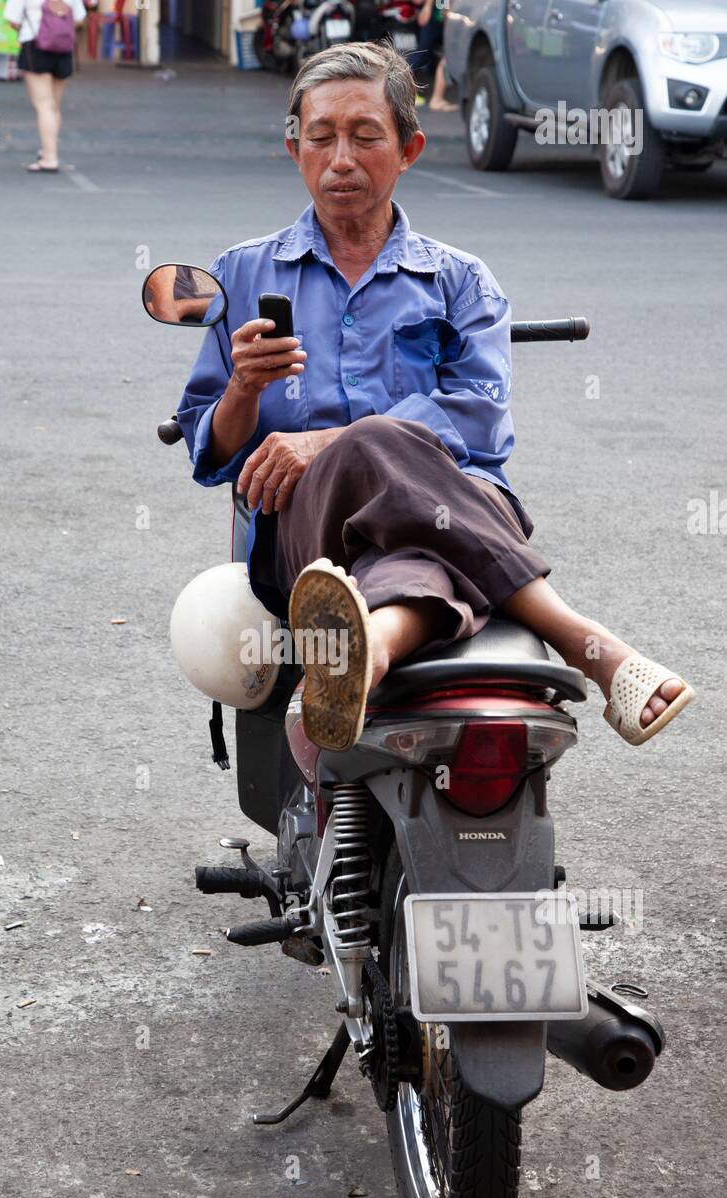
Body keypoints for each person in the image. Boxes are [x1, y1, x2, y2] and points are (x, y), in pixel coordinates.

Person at [176, 41, 693, 753]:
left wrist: (329, 438)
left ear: (410, 147)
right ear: (294, 147)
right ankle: (589, 643)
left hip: (462, 501)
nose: (341, 158)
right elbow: (209, 451)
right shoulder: (242, 271)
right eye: (321, 137)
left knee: (408, 546)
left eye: (365, 136)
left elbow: (478, 424)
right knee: (374, 443)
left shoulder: (461, 280)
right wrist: (243, 386)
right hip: (312, 530)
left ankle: (370, 649)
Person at [4, 0, 86, 173]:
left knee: (44, 106)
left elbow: (12, 19)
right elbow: (80, 18)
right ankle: (48, 150)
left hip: (35, 46)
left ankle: (49, 157)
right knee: (54, 106)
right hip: (64, 49)